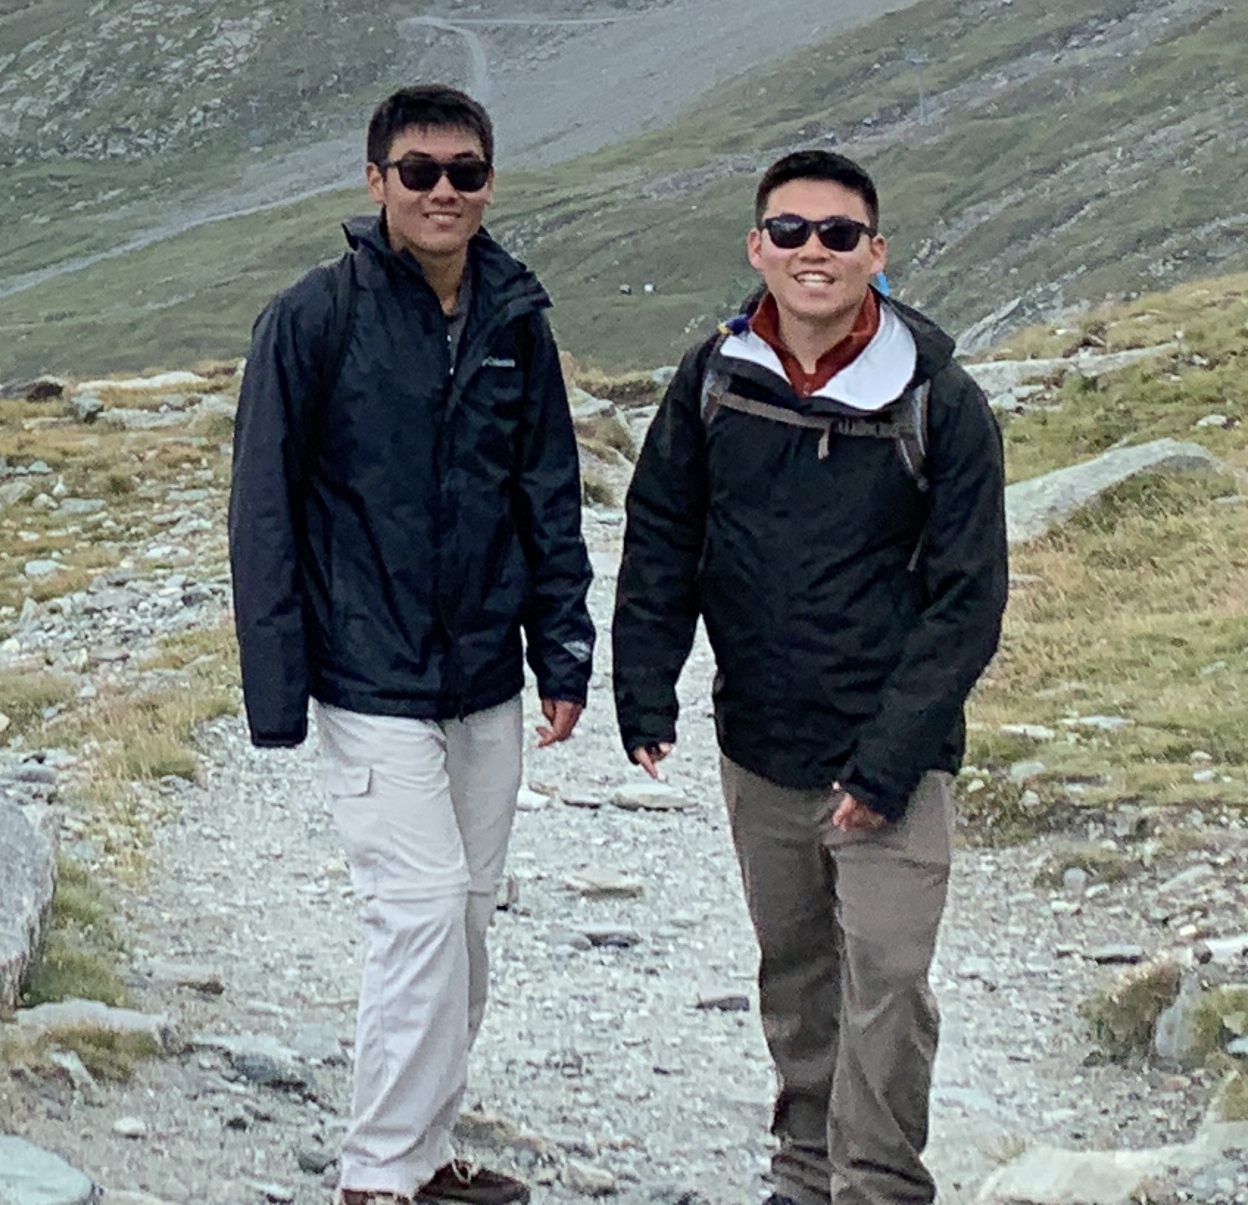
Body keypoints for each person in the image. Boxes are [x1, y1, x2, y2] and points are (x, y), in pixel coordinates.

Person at [611, 152, 1008, 1205]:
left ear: (876, 253)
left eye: (838, 234)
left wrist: (887, 763)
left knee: (889, 978)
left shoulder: (940, 400)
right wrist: (644, 686)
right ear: (758, 247)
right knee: (796, 975)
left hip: (893, 758)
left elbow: (968, 601)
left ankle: (878, 1184)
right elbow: (663, 535)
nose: (812, 252)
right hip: (761, 740)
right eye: (790, 232)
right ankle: (803, 1171)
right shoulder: (714, 378)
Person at [230, 83, 594, 1205]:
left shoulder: (514, 319)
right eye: (420, 171)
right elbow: (263, 508)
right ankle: (377, 1176)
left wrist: (562, 650)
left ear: (489, 182)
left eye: (465, 173)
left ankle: (427, 1154)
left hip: (483, 677)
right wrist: (277, 690)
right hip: (369, 674)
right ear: (375, 181)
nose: (444, 192)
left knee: (468, 918)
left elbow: (547, 493)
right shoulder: (313, 317)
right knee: (424, 908)